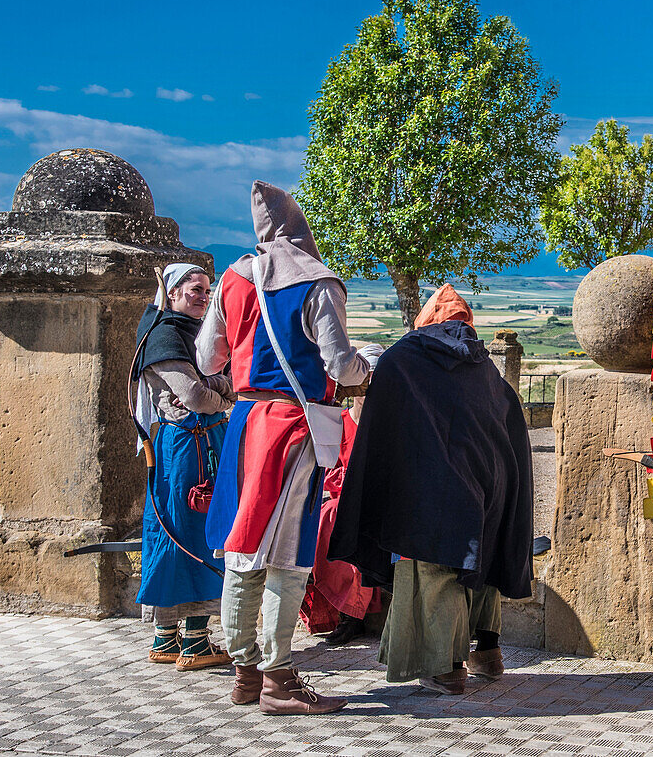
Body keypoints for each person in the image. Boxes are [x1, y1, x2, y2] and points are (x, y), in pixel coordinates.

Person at [197, 181, 371, 716]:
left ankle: (245, 671)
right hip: (293, 426)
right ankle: (278, 678)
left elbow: (208, 359)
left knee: (243, 548)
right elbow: (341, 366)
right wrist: (370, 364)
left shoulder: (232, 278)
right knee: (288, 558)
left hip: (245, 422)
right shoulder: (318, 283)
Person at [329, 284, 534, 695]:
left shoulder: (404, 358)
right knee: (483, 561)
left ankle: (446, 667)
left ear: (427, 320)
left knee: (432, 569)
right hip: (490, 483)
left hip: (432, 486)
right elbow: (509, 426)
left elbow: (382, 427)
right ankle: (488, 653)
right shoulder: (486, 368)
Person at [134, 263, 236, 671]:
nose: (203, 295)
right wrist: (224, 392)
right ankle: (193, 641)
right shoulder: (164, 336)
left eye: (208, 290)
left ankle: (167, 638)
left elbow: (205, 386)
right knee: (192, 531)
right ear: (172, 292)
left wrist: (213, 388)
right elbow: (193, 395)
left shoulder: (193, 334)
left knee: (184, 529)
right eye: (195, 289)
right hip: (189, 450)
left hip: (200, 444)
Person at [299, 345, 385, 646]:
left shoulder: (387, 425)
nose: (369, 390)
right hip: (341, 498)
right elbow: (327, 469)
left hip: (377, 501)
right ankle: (336, 610)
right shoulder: (340, 422)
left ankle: (353, 614)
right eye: (366, 382)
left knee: (343, 518)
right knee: (328, 515)